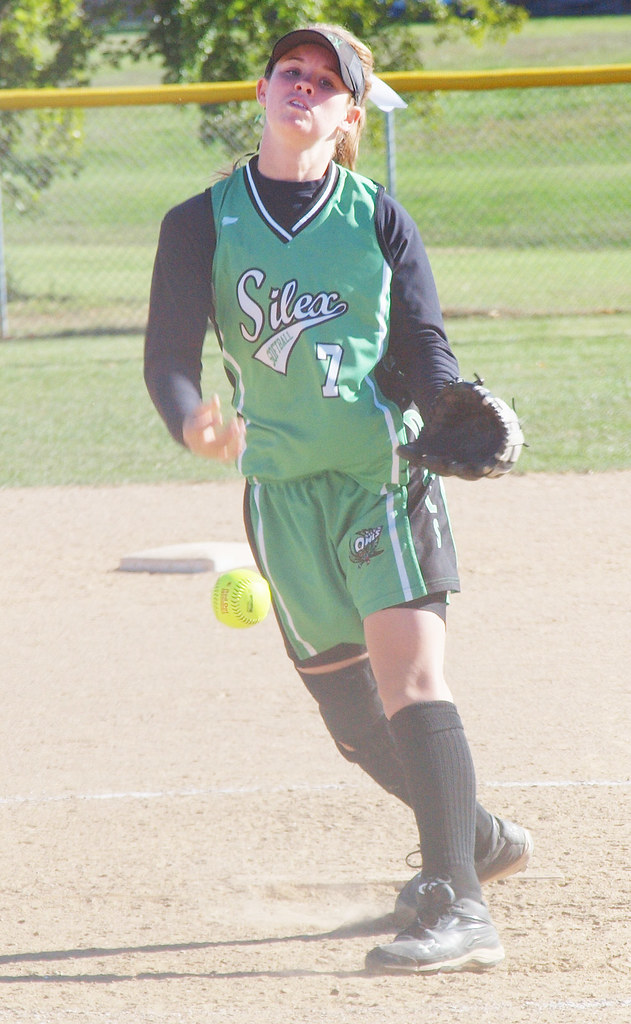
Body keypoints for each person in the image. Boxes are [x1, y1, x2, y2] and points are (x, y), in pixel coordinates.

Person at [144, 24, 533, 975]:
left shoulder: (377, 217)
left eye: (326, 81)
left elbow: (423, 339)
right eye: (291, 72)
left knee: (410, 681)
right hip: (279, 495)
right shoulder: (199, 221)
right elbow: (168, 355)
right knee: (355, 723)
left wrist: (444, 402)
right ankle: (470, 836)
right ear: (266, 91)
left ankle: (457, 901)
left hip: (379, 478)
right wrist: (192, 420)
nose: (304, 87)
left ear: (349, 112)